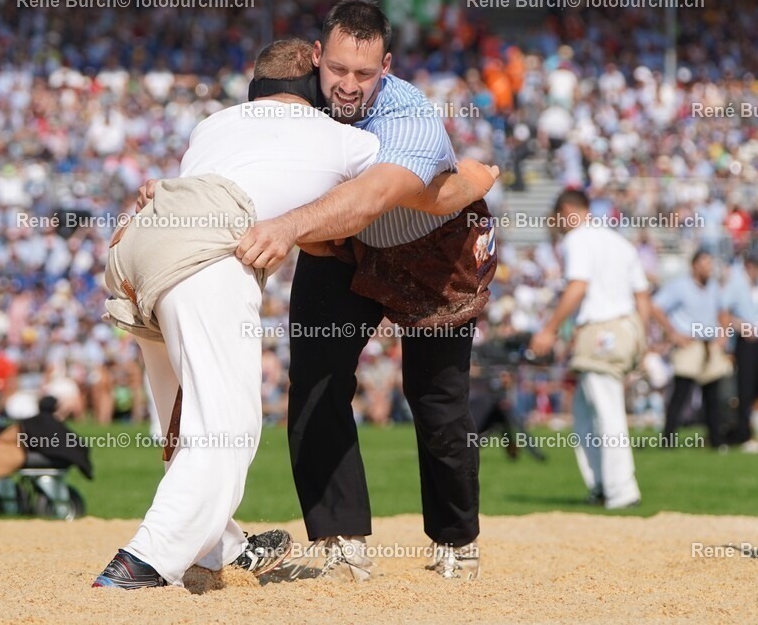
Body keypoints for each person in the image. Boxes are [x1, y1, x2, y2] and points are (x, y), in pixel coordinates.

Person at [95, 38, 490, 589]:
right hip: (206, 255)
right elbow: (411, 193)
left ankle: (220, 549)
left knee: (181, 413)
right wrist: (476, 179)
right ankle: (144, 561)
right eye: (333, 73)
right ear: (312, 79)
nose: (345, 86)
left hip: (138, 244)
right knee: (227, 429)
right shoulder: (342, 138)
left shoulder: (213, 124)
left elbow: (240, 180)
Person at [235, 1, 499, 581]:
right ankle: (339, 542)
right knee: (315, 383)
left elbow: (374, 196)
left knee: (436, 402)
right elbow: (241, 155)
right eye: (336, 70)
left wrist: (287, 228)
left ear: (386, 66)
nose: (348, 86)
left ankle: (457, 542)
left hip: (431, 251)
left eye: (363, 73)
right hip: (347, 246)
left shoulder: (409, 115)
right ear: (315, 58)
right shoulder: (291, 97)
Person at [528, 190, 649, 509]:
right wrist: (641, 338)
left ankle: (622, 490)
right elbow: (643, 296)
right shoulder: (620, 242)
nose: (557, 228)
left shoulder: (578, 238)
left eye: (557, 220)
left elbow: (577, 286)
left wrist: (550, 328)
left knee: (607, 410)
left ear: (567, 210)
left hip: (601, 331)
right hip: (623, 327)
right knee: (584, 411)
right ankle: (600, 484)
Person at [652, 250, 731, 450]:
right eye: (705, 264)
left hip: (709, 344)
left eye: (710, 265)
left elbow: (722, 311)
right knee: (681, 394)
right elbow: (656, 307)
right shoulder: (680, 287)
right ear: (694, 265)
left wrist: (723, 334)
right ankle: (668, 440)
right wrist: (673, 333)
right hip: (689, 344)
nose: (708, 269)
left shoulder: (713, 287)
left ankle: (716, 440)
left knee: (712, 395)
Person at [720, 250, 758, 447]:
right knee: (746, 387)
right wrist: (741, 327)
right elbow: (724, 311)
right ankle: (743, 433)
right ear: (750, 266)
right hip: (745, 341)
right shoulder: (736, 284)